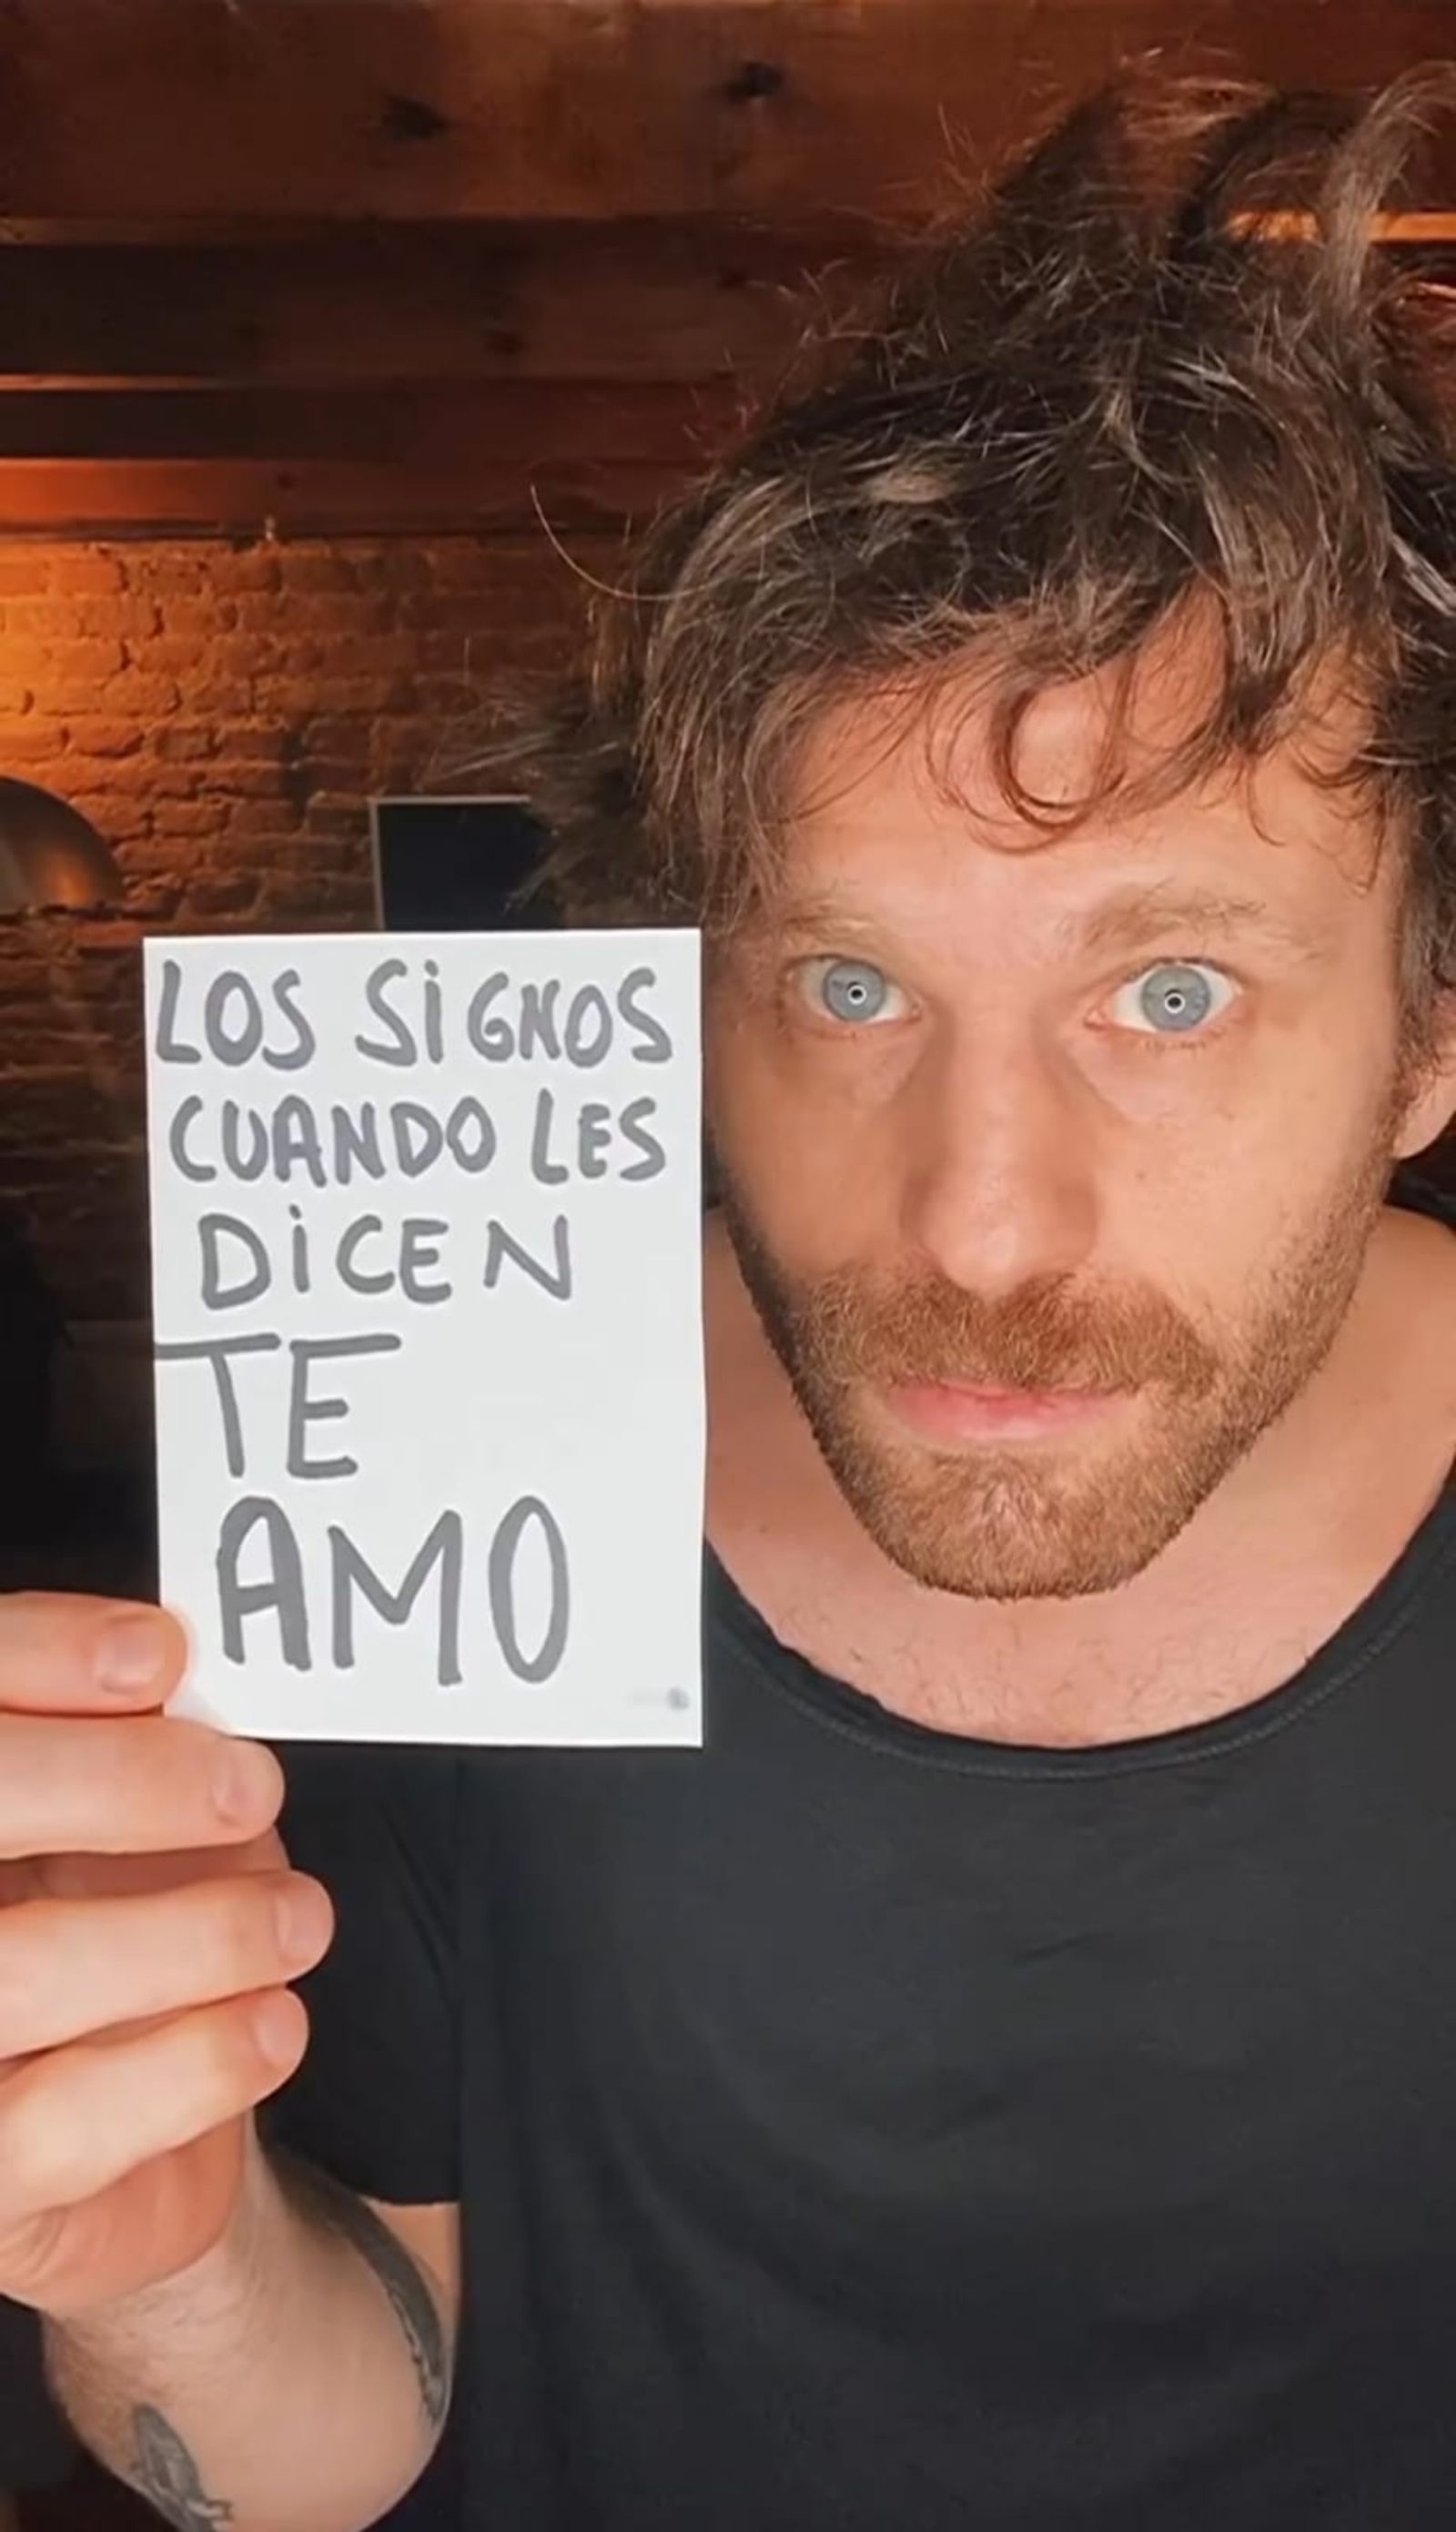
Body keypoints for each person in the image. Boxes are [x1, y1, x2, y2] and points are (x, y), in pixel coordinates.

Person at [2, 67, 1456, 2532]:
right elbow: (368, 2409)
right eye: (852, 990)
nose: (980, 1229)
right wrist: (164, 2264)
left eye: (1173, 992)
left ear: (1425, 1037)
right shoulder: (450, 1450)